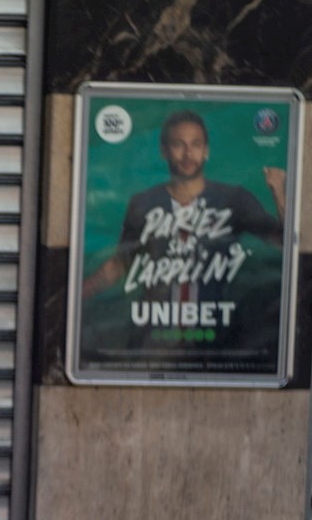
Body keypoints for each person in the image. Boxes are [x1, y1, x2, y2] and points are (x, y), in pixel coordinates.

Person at [81, 109, 285, 350]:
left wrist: (279, 193)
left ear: (206, 150)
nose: (188, 153)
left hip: (215, 339)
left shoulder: (233, 200)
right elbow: (120, 264)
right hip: (154, 340)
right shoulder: (144, 203)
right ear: (164, 151)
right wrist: (75, 296)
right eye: (178, 144)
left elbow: (282, 243)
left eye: (196, 144)